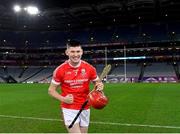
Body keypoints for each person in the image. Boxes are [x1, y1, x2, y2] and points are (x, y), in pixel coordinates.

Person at [48, 40, 104, 133]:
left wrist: (100, 86)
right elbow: (51, 90)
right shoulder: (60, 70)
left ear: (82, 52)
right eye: (72, 51)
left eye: (78, 51)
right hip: (69, 108)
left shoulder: (89, 68)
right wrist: (63, 99)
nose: (75, 54)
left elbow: (97, 83)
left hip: (85, 107)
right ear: (67, 52)